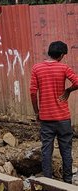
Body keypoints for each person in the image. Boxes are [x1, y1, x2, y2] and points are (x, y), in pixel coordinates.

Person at [30, 40, 78, 183]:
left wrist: (37, 112)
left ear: (49, 52)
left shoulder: (37, 68)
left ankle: (48, 183)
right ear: (62, 55)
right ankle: (67, 182)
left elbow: (32, 92)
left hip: (46, 119)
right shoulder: (63, 68)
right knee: (66, 152)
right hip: (63, 119)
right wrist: (68, 90)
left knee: (46, 152)